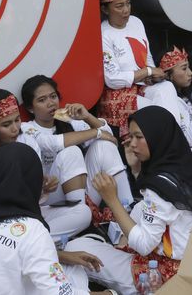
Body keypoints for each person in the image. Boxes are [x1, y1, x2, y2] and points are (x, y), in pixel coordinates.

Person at [64, 106, 192, 295]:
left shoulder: (159, 188)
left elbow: (143, 245)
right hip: (190, 258)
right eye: (130, 137)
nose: (132, 144)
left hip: (161, 275)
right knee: (139, 208)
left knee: (74, 247)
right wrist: (136, 169)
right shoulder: (186, 164)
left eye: (139, 137)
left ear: (157, 136)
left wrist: (112, 199)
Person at [0, 143, 104, 295]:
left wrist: (61, 256)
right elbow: (59, 292)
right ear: (34, 181)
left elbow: (6, 253)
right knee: (76, 275)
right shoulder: (32, 229)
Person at [0, 89, 92, 240]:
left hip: (33, 210)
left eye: (17, 120)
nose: (15, 128)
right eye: (6, 124)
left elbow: (34, 190)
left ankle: (33, 241)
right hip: (1, 218)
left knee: (83, 213)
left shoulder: (26, 140)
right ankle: (38, 242)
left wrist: (44, 186)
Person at [20, 75, 133, 229]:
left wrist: (86, 116)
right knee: (71, 151)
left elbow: (110, 137)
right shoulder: (27, 128)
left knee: (104, 146)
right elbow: (52, 143)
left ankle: (127, 209)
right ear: (30, 108)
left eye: (53, 96)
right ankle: (80, 216)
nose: (50, 103)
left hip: (82, 195)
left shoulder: (67, 121)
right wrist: (96, 133)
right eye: (42, 100)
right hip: (50, 198)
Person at [99, 0, 164, 139]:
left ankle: (174, 143)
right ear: (105, 10)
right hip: (119, 94)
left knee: (167, 88)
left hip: (143, 85)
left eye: (128, 3)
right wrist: (147, 71)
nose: (126, 10)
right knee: (156, 112)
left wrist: (152, 74)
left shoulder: (136, 22)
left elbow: (146, 56)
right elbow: (113, 79)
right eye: (119, 6)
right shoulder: (103, 33)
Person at [145, 46, 192, 145]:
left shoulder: (185, 98)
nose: (190, 73)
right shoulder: (167, 102)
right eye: (184, 68)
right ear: (168, 75)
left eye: (188, 67)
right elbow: (186, 140)